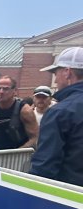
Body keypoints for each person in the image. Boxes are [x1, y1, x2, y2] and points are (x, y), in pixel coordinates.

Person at [31, 47, 83, 187]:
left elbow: (44, 167)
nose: (55, 80)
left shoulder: (60, 112)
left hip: (70, 197)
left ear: (67, 72)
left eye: (55, 72)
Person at [0, 75, 38, 151]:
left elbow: (35, 138)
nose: (1, 92)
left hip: (20, 155)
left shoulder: (25, 111)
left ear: (15, 91)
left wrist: (16, 153)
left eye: (5, 89)